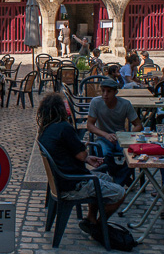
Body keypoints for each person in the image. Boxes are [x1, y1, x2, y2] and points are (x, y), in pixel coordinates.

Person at [38, 93, 126, 228]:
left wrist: (87, 159)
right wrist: (84, 150)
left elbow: (65, 154)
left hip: (62, 181)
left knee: (106, 179)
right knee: (120, 193)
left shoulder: (45, 130)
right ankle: (99, 225)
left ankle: (90, 218)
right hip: (74, 184)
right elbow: (80, 155)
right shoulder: (64, 128)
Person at [86, 79, 141, 184]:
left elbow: (138, 125)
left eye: (109, 91)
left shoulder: (125, 104)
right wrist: (105, 135)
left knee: (134, 155)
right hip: (103, 137)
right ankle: (121, 177)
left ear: (115, 92)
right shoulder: (96, 102)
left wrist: (126, 136)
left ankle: (118, 179)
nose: (105, 94)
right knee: (104, 154)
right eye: (103, 91)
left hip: (121, 138)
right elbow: (90, 125)